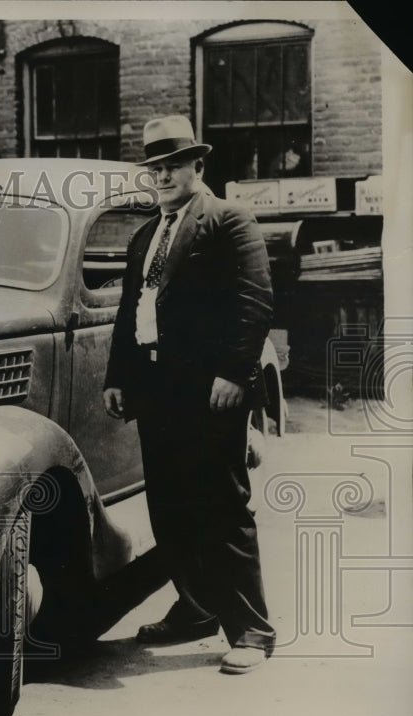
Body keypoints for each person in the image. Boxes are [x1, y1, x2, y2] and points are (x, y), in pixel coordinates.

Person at [103, 115, 276, 675]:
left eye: (173, 164)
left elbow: (255, 305)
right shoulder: (145, 235)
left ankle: (251, 630)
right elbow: (131, 313)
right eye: (155, 167)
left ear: (198, 166)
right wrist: (118, 376)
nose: (163, 175)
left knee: (221, 508)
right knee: (170, 510)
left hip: (210, 393)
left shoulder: (228, 220)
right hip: (156, 391)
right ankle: (196, 608)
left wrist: (234, 374)